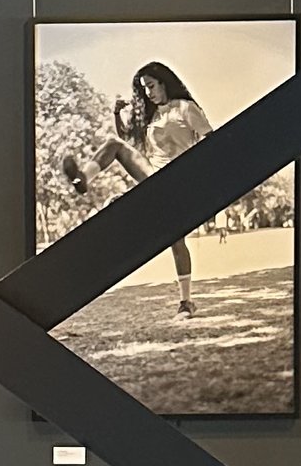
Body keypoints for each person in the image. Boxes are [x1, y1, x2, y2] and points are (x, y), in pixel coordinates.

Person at [89, 61, 215, 313]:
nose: (148, 92)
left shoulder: (186, 108)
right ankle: (84, 175)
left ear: (163, 82)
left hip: (179, 180)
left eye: (151, 86)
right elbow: (127, 138)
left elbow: (210, 139)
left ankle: (186, 302)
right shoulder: (152, 115)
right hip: (152, 175)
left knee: (176, 242)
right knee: (114, 145)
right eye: (144, 88)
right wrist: (116, 114)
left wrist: (200, 178)